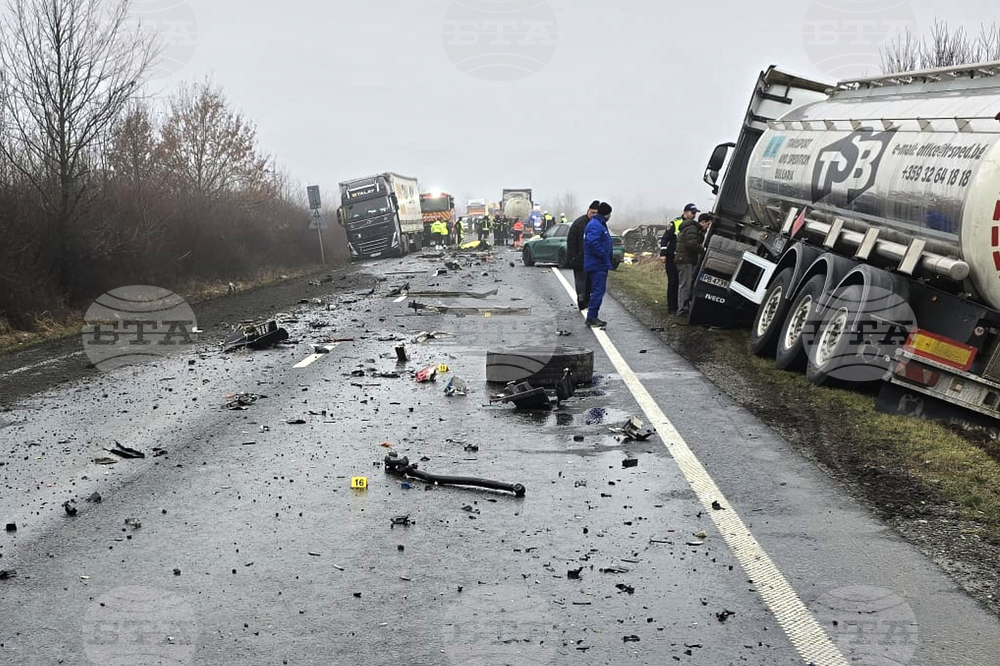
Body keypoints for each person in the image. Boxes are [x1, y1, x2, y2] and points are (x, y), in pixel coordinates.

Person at [660, 203, 697, 314]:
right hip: (672, 257)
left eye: (695, 213)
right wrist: (663, 253)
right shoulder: (675, 223)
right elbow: (665, 239)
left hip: (683, 258)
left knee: (683, 283)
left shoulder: (693, 225)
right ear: (685, 213)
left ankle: (680, 306)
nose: (694, 215)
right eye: (693, 213)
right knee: (673, 282)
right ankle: (672, 307)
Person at [584, 202, 613, 328]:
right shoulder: (596, 225)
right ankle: (591, 317)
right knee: (598, 291)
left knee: (598, 290)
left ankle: (592, 315)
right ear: (606, 214)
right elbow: (593, 243)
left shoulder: (599, 224)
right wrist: (603, 255)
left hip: (599, 263)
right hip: (597, 264)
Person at [676, 212, 711, 316]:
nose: (708, 227)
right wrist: (703, 249)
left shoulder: (692, 228)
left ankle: (683, 308)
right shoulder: (693, 229)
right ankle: (682, 310)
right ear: (703, 222)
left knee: (684, 284)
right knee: (685, 285)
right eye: (708, 224)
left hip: (683, 259)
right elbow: (691, 244)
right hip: (685, 260)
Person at [567, 200, 600, 309]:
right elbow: (571, 241)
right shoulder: (579, 224)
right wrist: (573, 256)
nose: (594, 215)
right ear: (588, 211)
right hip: (579, 258)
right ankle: (581, 299)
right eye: (592, 213)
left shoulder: (598, 224)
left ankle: (587, 300)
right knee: (581, 280)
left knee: (590, 281)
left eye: (596, 213)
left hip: (592, 259)